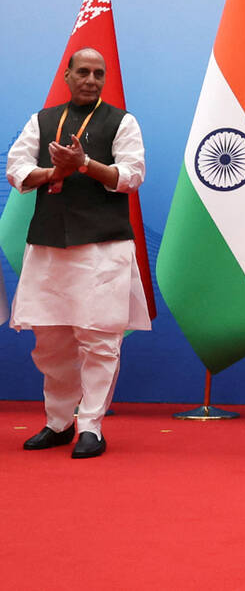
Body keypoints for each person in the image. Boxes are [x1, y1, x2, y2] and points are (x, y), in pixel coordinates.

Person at [6, 47, 150, 459]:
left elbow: (131, 175)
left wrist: (85, 163)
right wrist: (56, 172)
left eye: (98, 73)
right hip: (49, 244)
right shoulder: (42, 120)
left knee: (100, 341)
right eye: (83, 72)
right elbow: (16, 169)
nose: (91, 79)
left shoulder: (122, 121)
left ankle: (91, 426)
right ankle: (58, 422)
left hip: (103, 247)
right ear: (67, 76)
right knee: (50, 342)